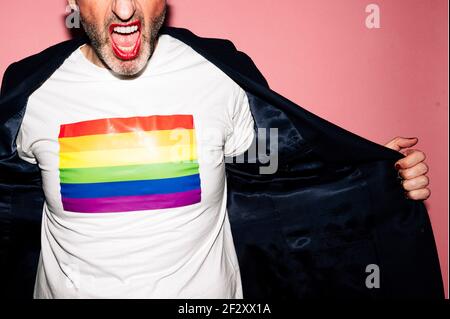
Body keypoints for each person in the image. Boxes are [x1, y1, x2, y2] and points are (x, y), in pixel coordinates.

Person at [0, 0, 443, 299]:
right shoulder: (32, 90)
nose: (124, 8)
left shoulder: (219, 74)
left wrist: (376, 177)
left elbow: (290, 173)